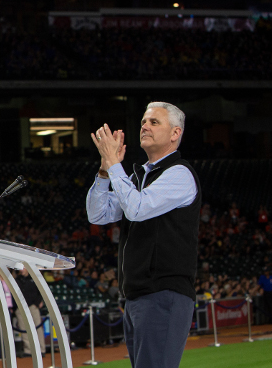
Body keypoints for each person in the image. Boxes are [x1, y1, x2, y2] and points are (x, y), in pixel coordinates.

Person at [86, 102, 200, 368]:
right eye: (143, 122)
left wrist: (116, 165)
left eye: (154, 122)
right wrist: (105, 170)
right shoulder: (139, 179)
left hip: (164, 293)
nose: (145, 126)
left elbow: (137, 208)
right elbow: (98, 215)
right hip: (138, 296)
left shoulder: (179, 174)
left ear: (175, 133)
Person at [16, 269, 44, 357]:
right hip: (21, 307)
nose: (21, 270)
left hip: (33, 305)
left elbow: (41, 291)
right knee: (24, 329)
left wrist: (38, 302)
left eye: (23, 267)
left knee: (38, 327)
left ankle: (41, 349)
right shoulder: (17, 279)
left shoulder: (34, 278)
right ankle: (28, 350)